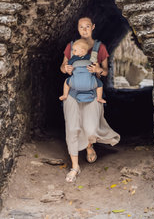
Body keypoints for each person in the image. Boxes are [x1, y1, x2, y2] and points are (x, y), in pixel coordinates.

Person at [60, 17, 120, 182]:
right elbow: (62, 67)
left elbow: (106, 71)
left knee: (90, 128)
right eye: (81, 27)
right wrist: (66, 68)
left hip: (92, 94)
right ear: (77, 28)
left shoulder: (100, 48)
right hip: (72, 93)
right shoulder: (71, 47)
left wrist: (99, 69)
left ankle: (89, 145)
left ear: (93, 27)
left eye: (87, 26)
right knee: (72, 128)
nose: (84, 29)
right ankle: (75, 167)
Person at [59, 38, 106, 104]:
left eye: (75, 50)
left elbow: (68, 67)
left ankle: (65, 95)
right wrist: (97, 72)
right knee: (100, 84)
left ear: (82, 51)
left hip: (75, 84)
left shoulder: (73, 59)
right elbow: (96, 66)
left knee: (66, 82)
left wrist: (68, 69)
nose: (73, 52)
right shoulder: (91, 58)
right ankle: (99, 98)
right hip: (90, 84)